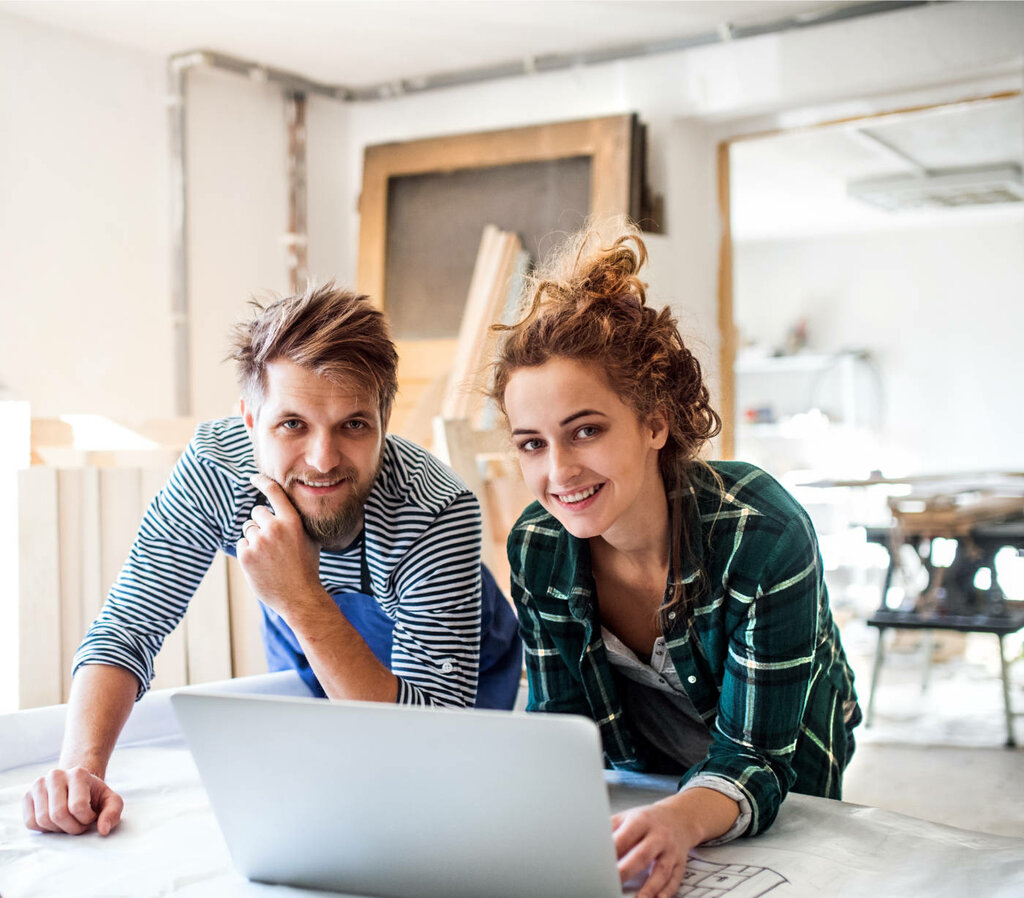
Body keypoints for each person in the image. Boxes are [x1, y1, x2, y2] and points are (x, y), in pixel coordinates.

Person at [23, 282, 522, 837]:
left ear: (385, 422)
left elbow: (431, 740)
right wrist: (80, 768)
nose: (323, 460)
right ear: (249, 421)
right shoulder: (216, 472)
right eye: (292, 424)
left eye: (353, 425)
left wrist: (302, 599)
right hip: (308, 659)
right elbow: (127, 628)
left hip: (462, 684)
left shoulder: (436, 509)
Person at [490, 228, 859, 898]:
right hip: (648, 770)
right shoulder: (537, 547)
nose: (559, 471)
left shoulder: (763, 534)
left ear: (655, 423)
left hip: (782, 758)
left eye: (586, 431)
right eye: (532, 444)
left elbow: (758, 758)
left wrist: (680, 819)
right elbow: (562, 731)